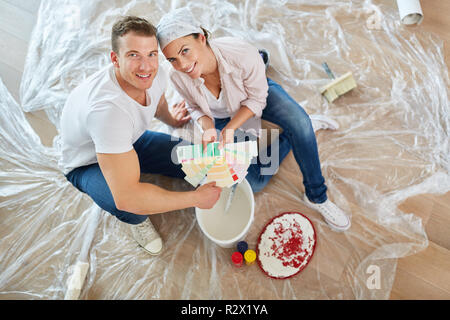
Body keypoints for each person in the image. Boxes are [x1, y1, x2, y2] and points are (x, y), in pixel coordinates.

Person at [156, 8, 351, 231]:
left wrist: (231, 129)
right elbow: (194, 106)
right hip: (221, 117)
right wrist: (208, 127)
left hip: (254, 95)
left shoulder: (241, 53)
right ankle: (294, 135)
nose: (182, 65)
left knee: (300, 124)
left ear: (202, 37)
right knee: (255, 182)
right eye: (172, 59)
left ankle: (317, 195)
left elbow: (258, 97)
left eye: (185, 51)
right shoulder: (175, 75)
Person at [59, 16, 222, 256]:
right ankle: (137, 222)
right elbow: (128, 197)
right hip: (87, 164)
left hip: (130, 140)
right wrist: (195, 199)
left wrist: (171, 120)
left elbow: (158, 101)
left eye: (151, 54)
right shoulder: (108, 113)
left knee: (195, 159)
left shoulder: (156, 75)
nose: (146, 67)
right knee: (128, 205)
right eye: (134, 55)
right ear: (115, 59)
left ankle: (139, 173)